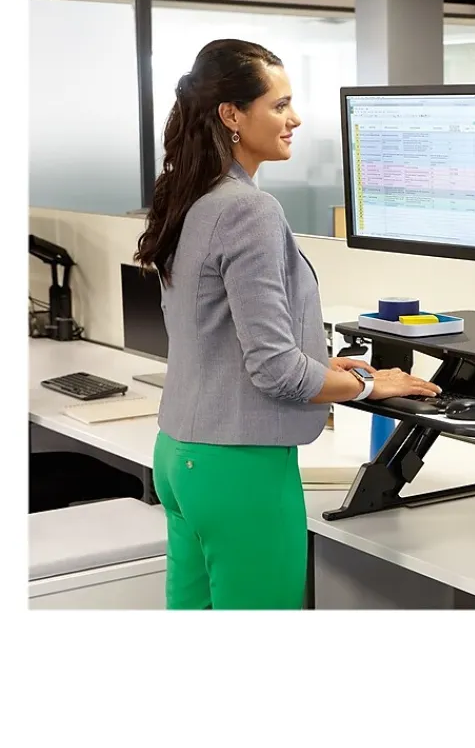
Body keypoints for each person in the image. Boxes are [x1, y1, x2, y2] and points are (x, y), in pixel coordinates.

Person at [135, 39, 440, 610]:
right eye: (279, 105)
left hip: (181, 457)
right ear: (232, 115)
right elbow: (275, 371)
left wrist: (322, 366)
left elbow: (213, 331)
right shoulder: (249, 208)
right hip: (239, 468)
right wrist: (369, 385)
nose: (294, 119)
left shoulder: (191, 197)